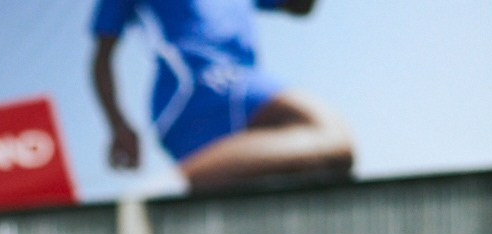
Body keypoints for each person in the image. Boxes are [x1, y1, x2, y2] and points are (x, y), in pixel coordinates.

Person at [90, 0, 354, 194]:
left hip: (243, 83)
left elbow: (300, 6)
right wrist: (118, 124)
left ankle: (187, 188)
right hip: (194, 91)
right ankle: (163, 193)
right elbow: (102, 56)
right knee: (330, 135)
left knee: (312, 168)